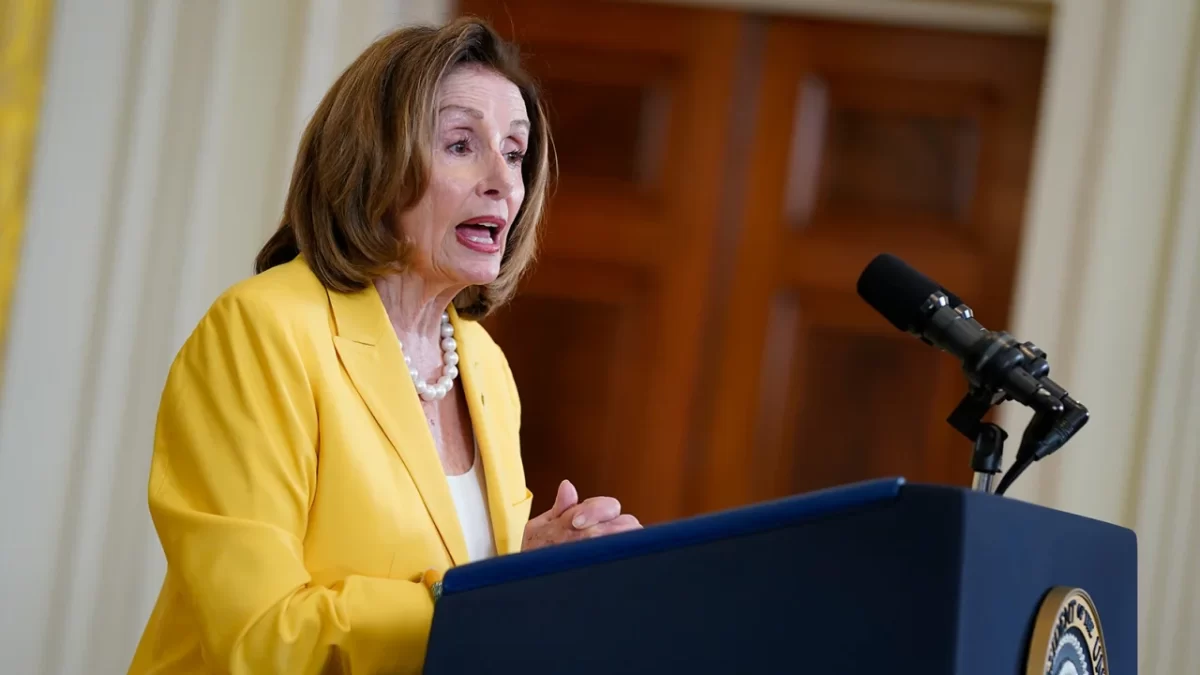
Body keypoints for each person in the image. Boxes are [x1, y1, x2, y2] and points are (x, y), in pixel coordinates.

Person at [127, 17, 641, 675]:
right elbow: (261, 636)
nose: (503, 182)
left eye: (514, 152)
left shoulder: (484, 365)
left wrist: (524, 567)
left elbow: (443, 575)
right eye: (462, 144)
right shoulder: (261, 330)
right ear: (377, 162)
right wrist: (481, 602)